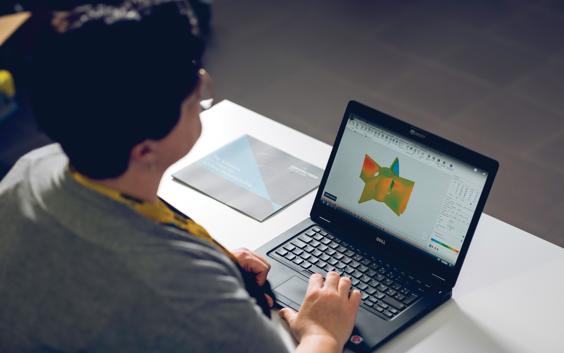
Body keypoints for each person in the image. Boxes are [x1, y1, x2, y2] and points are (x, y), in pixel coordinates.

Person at [0, 1, 361, 352]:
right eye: (194, 100)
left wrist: (212, 260)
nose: (203, 83)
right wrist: (321, 333)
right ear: (144, 150)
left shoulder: (35, 167)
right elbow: (162, 289)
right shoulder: (182, 292)